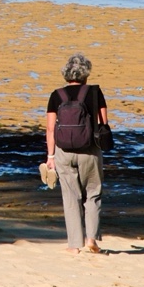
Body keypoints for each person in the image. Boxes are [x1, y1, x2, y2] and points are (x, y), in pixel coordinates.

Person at [44, 52, 109, 254]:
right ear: (86, 74)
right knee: (93, 193)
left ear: (66, 74)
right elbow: (103, 123)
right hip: (90, 150)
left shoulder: (56, 95)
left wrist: (50, 157)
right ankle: (91, 240)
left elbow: (50, 129)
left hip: (63, 151)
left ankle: (74, 245)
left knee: (70, 196)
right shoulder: (95, 93)